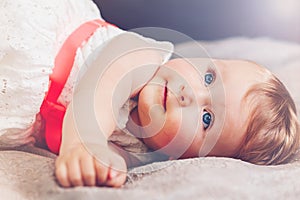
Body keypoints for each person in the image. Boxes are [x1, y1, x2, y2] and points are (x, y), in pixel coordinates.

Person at [0, 0, 299, 188]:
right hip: (30, 43)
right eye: (208, 77)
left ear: (187, 158)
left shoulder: (146, 153)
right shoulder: (143, 56)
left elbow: (113, 156)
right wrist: (86, 143)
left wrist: (106, 166)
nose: (190, 94)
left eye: (207, 118)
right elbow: (101, 86)